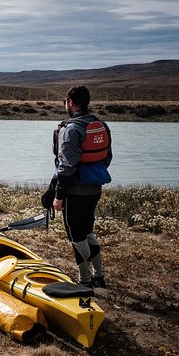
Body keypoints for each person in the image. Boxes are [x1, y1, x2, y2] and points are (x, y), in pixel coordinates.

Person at [52, 86, 112, 288]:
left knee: (76, 236)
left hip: (74, 192)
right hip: (95, 188)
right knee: (87, 231)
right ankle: (99, 276)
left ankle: (84, 280)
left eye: (66, 102)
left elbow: (66, 166)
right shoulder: (101, 125)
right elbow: (107, 157)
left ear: (70, 102)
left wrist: (59, 195)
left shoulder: (71, 129)